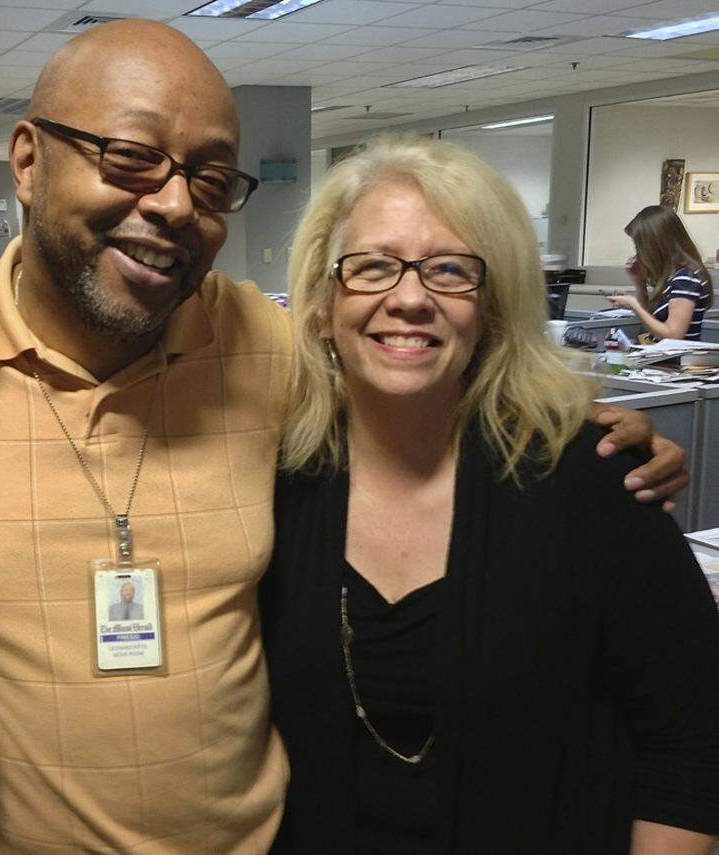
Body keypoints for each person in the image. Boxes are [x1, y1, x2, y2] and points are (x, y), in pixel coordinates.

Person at [0, 21, 693, 853]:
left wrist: (588, 430)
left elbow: (419, 387)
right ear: (28, 161)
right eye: (128, 159)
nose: (171, 204)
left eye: (209, 178)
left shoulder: (269, 352)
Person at [262, 134, 719, 853]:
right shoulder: (268, 485)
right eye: (373, 266)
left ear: (493, 306)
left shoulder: (592, 478)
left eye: (449, 270)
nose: (409, 298)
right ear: (322, 302)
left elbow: (691, 737)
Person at [608, 205, 714, 341]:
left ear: (656, 245)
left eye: (639, 246)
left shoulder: (686, 278)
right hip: (663, 352)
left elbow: (673, 334)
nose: (638, 252)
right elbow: (652, 322)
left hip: (677, 354)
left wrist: (634, 305)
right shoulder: (674, 276)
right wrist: (639, 283)